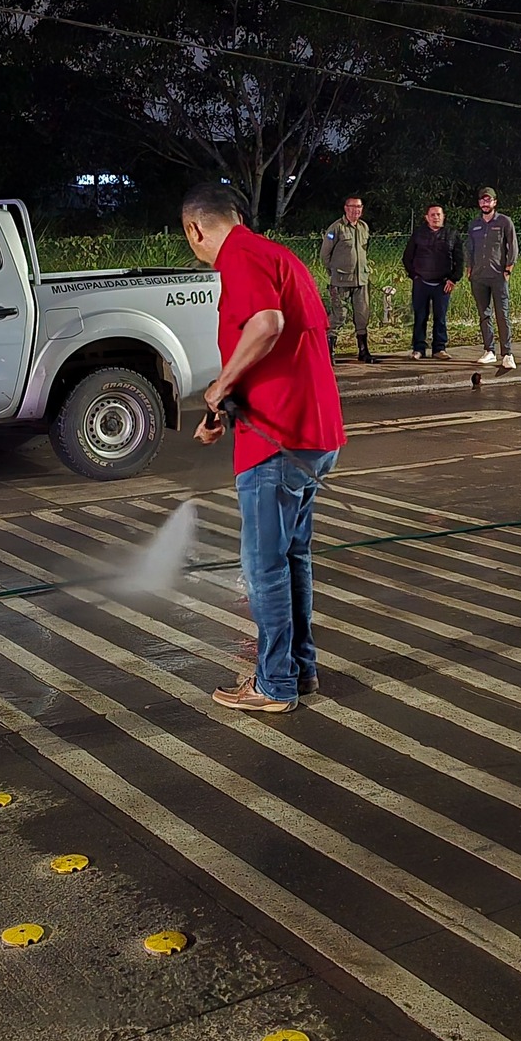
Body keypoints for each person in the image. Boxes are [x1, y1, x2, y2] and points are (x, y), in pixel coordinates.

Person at [182, 182, 348, 712]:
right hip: (310, 431)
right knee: (290, 559)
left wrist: (219, 386)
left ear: (195, 229)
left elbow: (267, 324)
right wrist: (223, 412)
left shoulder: (240, 258)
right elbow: (282, 348)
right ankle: (298, 672)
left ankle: (274, 684)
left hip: (277, 444)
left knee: (263, 567)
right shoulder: (276, 255)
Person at [401, 202, 463, 359]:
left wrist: (453, 279)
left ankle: (439, 349)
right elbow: (407, 257)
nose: (436, 217)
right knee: (420, 316)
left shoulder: (452, 234)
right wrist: (414, 276)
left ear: (443, 217)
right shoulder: (418, 234)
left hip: (443, 284)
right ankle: (418, 349)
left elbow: (459, 259)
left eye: (439, 214)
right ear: (426, 218)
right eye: (433, 215)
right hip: (421, 283)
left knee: (440, 317)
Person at [466, 187, 519, 371]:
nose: (485, 203)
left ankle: (507, 354)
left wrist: (508, 269)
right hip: (479, 277)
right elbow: (470, 248)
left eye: (488, 200)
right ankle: (489, 350)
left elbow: (512, 246)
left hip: (498, 276)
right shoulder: (474, 224)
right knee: (484, 314)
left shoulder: (504, 222)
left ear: (494, 202)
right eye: (482, 200)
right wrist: (469, 269)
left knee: (502, 315)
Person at [320, 196, 375, 363]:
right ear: (345, 208)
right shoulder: (336, 229)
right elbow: (324, 255)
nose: (355, 210)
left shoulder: (364, 227)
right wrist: (335, 271)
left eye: (358, 207)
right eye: (352, 207)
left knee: (362, 315)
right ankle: (328, 350)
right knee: (339, 315)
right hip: (341, 281)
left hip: (361, 281)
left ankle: (363, 351)